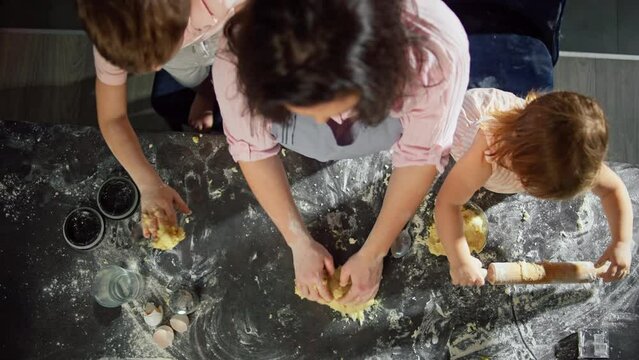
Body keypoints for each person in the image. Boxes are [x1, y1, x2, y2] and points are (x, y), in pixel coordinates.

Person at [214, 0, 470, 305]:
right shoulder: (241, 55)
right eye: (302, 110)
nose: (323, 122)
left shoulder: (435, 55)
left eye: (341, 109)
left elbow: (420, 156)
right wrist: (298, 242)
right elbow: (252, 148)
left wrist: (374, 253)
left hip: (391, 114)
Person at [434, 88, 634, 286]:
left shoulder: (576, 159)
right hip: (456, 126)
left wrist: (621, 242)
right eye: (529, 185)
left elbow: (613, 189)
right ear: (516, 163)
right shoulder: (487, 154)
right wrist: (460, 261)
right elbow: (448, 203)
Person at [77, 0, 241, 238]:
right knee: (171, 93)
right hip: (189, 55)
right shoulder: (112, 29)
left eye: (157, 58)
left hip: (235, 35)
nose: (155, 68)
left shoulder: (226, 3)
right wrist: (149, 184)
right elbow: (112, 117)